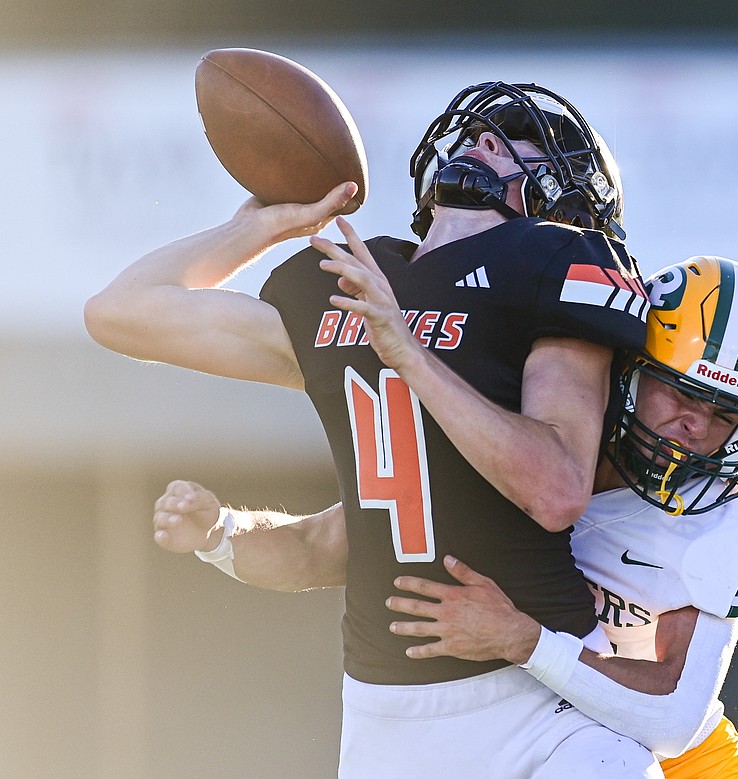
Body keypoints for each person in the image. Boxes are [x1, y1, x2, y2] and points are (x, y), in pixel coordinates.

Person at [86, 80, 659, 778]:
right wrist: (264, 227)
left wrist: (407, 352)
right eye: (483, 130)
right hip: (384, 713)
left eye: (521, 141)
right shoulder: (352, 281)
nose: (484, 139)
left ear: (559, 203)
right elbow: (120, 311)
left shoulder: (549, 267)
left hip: (540, 706)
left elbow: (556, 487)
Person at [155, 256, 738, 778]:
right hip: (519, 732)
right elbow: (331, 541)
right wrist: (222, 532)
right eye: (678, 391)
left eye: (724, 416)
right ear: (628, 368)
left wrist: (523, 637)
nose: (693, 427)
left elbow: (672, 716)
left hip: (672, 759)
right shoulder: (523, 443)